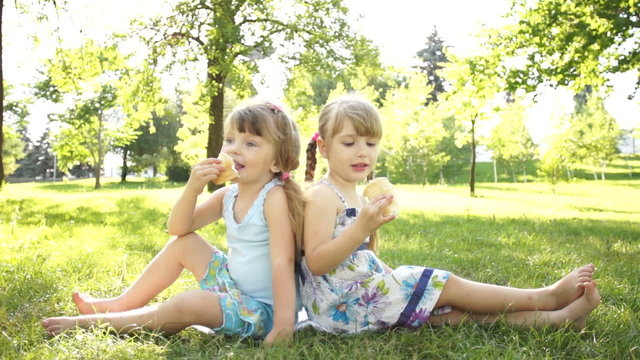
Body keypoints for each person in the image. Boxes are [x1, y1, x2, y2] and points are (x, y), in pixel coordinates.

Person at [298, 95, 600, 334]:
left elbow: (360, 259)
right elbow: (317, 260)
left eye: (371, 143)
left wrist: (389, 273)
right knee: (445, 284)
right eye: (349, 143)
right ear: (323, 148)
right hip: (342, 309)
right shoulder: (322, 195)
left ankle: (560, 318)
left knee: (456, 315)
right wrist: (360, 228)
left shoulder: (357, 192)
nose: (362, 152)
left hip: (361, 302)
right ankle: (546, 297)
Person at [41, 100, 304, 344]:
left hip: (261, 312)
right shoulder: (228, 195)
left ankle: (94, 323)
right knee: (184, 244)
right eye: (230, 139)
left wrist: (282, 326)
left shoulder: (274, 197)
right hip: (234, 288)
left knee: (189, 304)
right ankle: (121, 303)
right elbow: (177, 229)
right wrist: (193, 188)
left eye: (251, 144)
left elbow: (284, 262)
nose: (234, 149)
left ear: (277, 161)